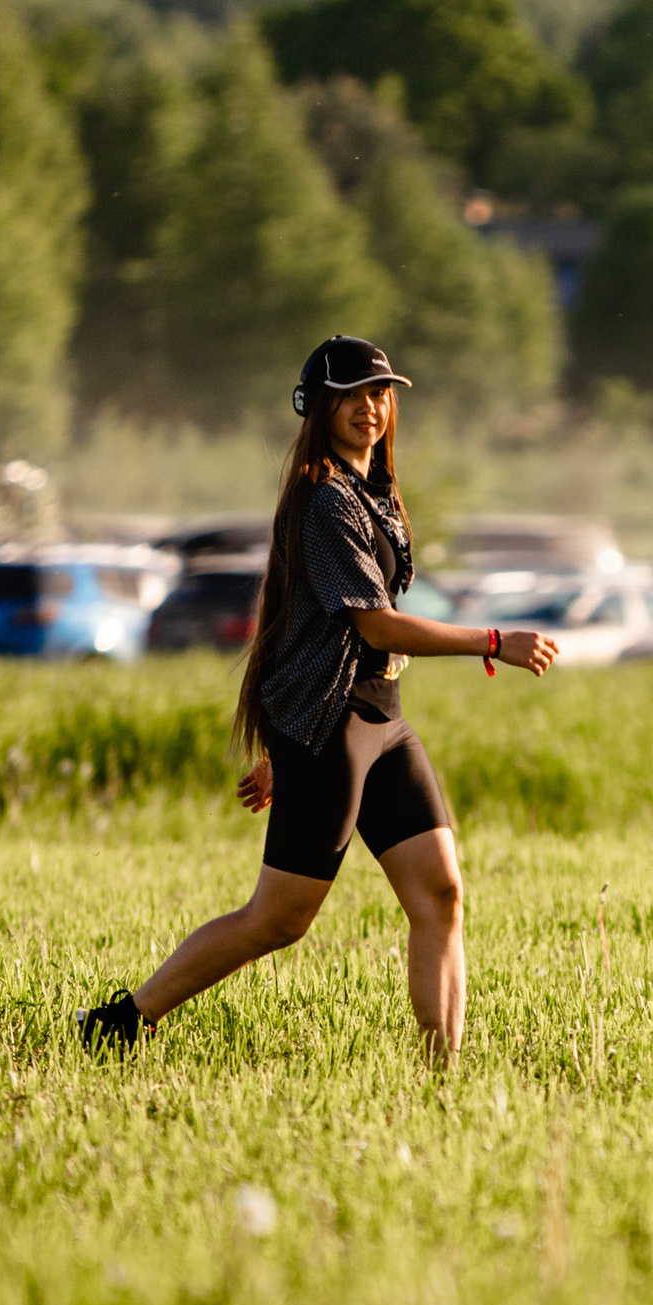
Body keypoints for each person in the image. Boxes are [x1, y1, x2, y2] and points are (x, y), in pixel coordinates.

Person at [78, 336, 557, 1065]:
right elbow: (375, 622)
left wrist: (280, 738)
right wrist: (492, 641)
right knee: (278, 920)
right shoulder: (324, 499)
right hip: (333, 728)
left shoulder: (376, 491)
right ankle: (122, 1019)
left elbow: (303, 616)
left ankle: (443, 1076)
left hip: (383, 718)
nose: (371, 406)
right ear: (321, 406)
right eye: (354, 394)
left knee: (441, 894)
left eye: (381, 392)